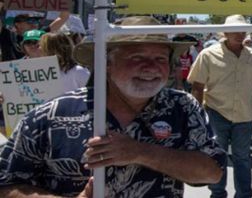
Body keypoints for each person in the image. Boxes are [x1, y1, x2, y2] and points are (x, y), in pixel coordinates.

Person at [0, 16, 226, 197]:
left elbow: (212, 171)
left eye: (160, 59)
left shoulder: (183, 107)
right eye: (137, 57)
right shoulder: (51, 115)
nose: (151, 67)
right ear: (106, 63)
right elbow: (7, 185)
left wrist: (140, 152)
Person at [189, 14, 252, 198]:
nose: (239, 34)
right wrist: (198, 118)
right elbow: (197, 86)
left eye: (242, 30)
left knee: (242, 158)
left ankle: (244, 194)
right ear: (225, 32)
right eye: (234, 30)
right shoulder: (208, 54)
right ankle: (218, 194)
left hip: (245, 114)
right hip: (215, 112)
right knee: (218, 157)